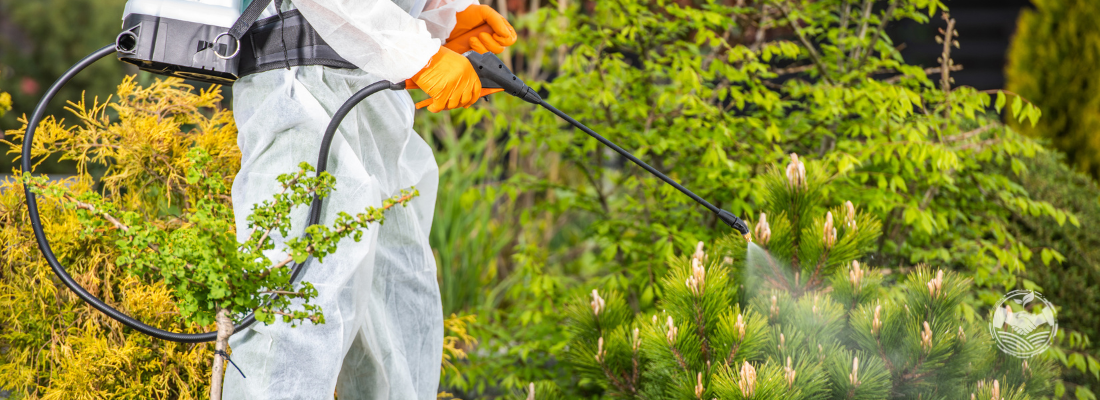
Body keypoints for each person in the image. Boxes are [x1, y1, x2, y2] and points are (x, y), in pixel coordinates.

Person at [224, 0, 516, 398]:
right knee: (291, 317)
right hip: (300, 88)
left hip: (372, 98)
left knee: (395, 318)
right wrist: (422, 56)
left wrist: (441, 14)